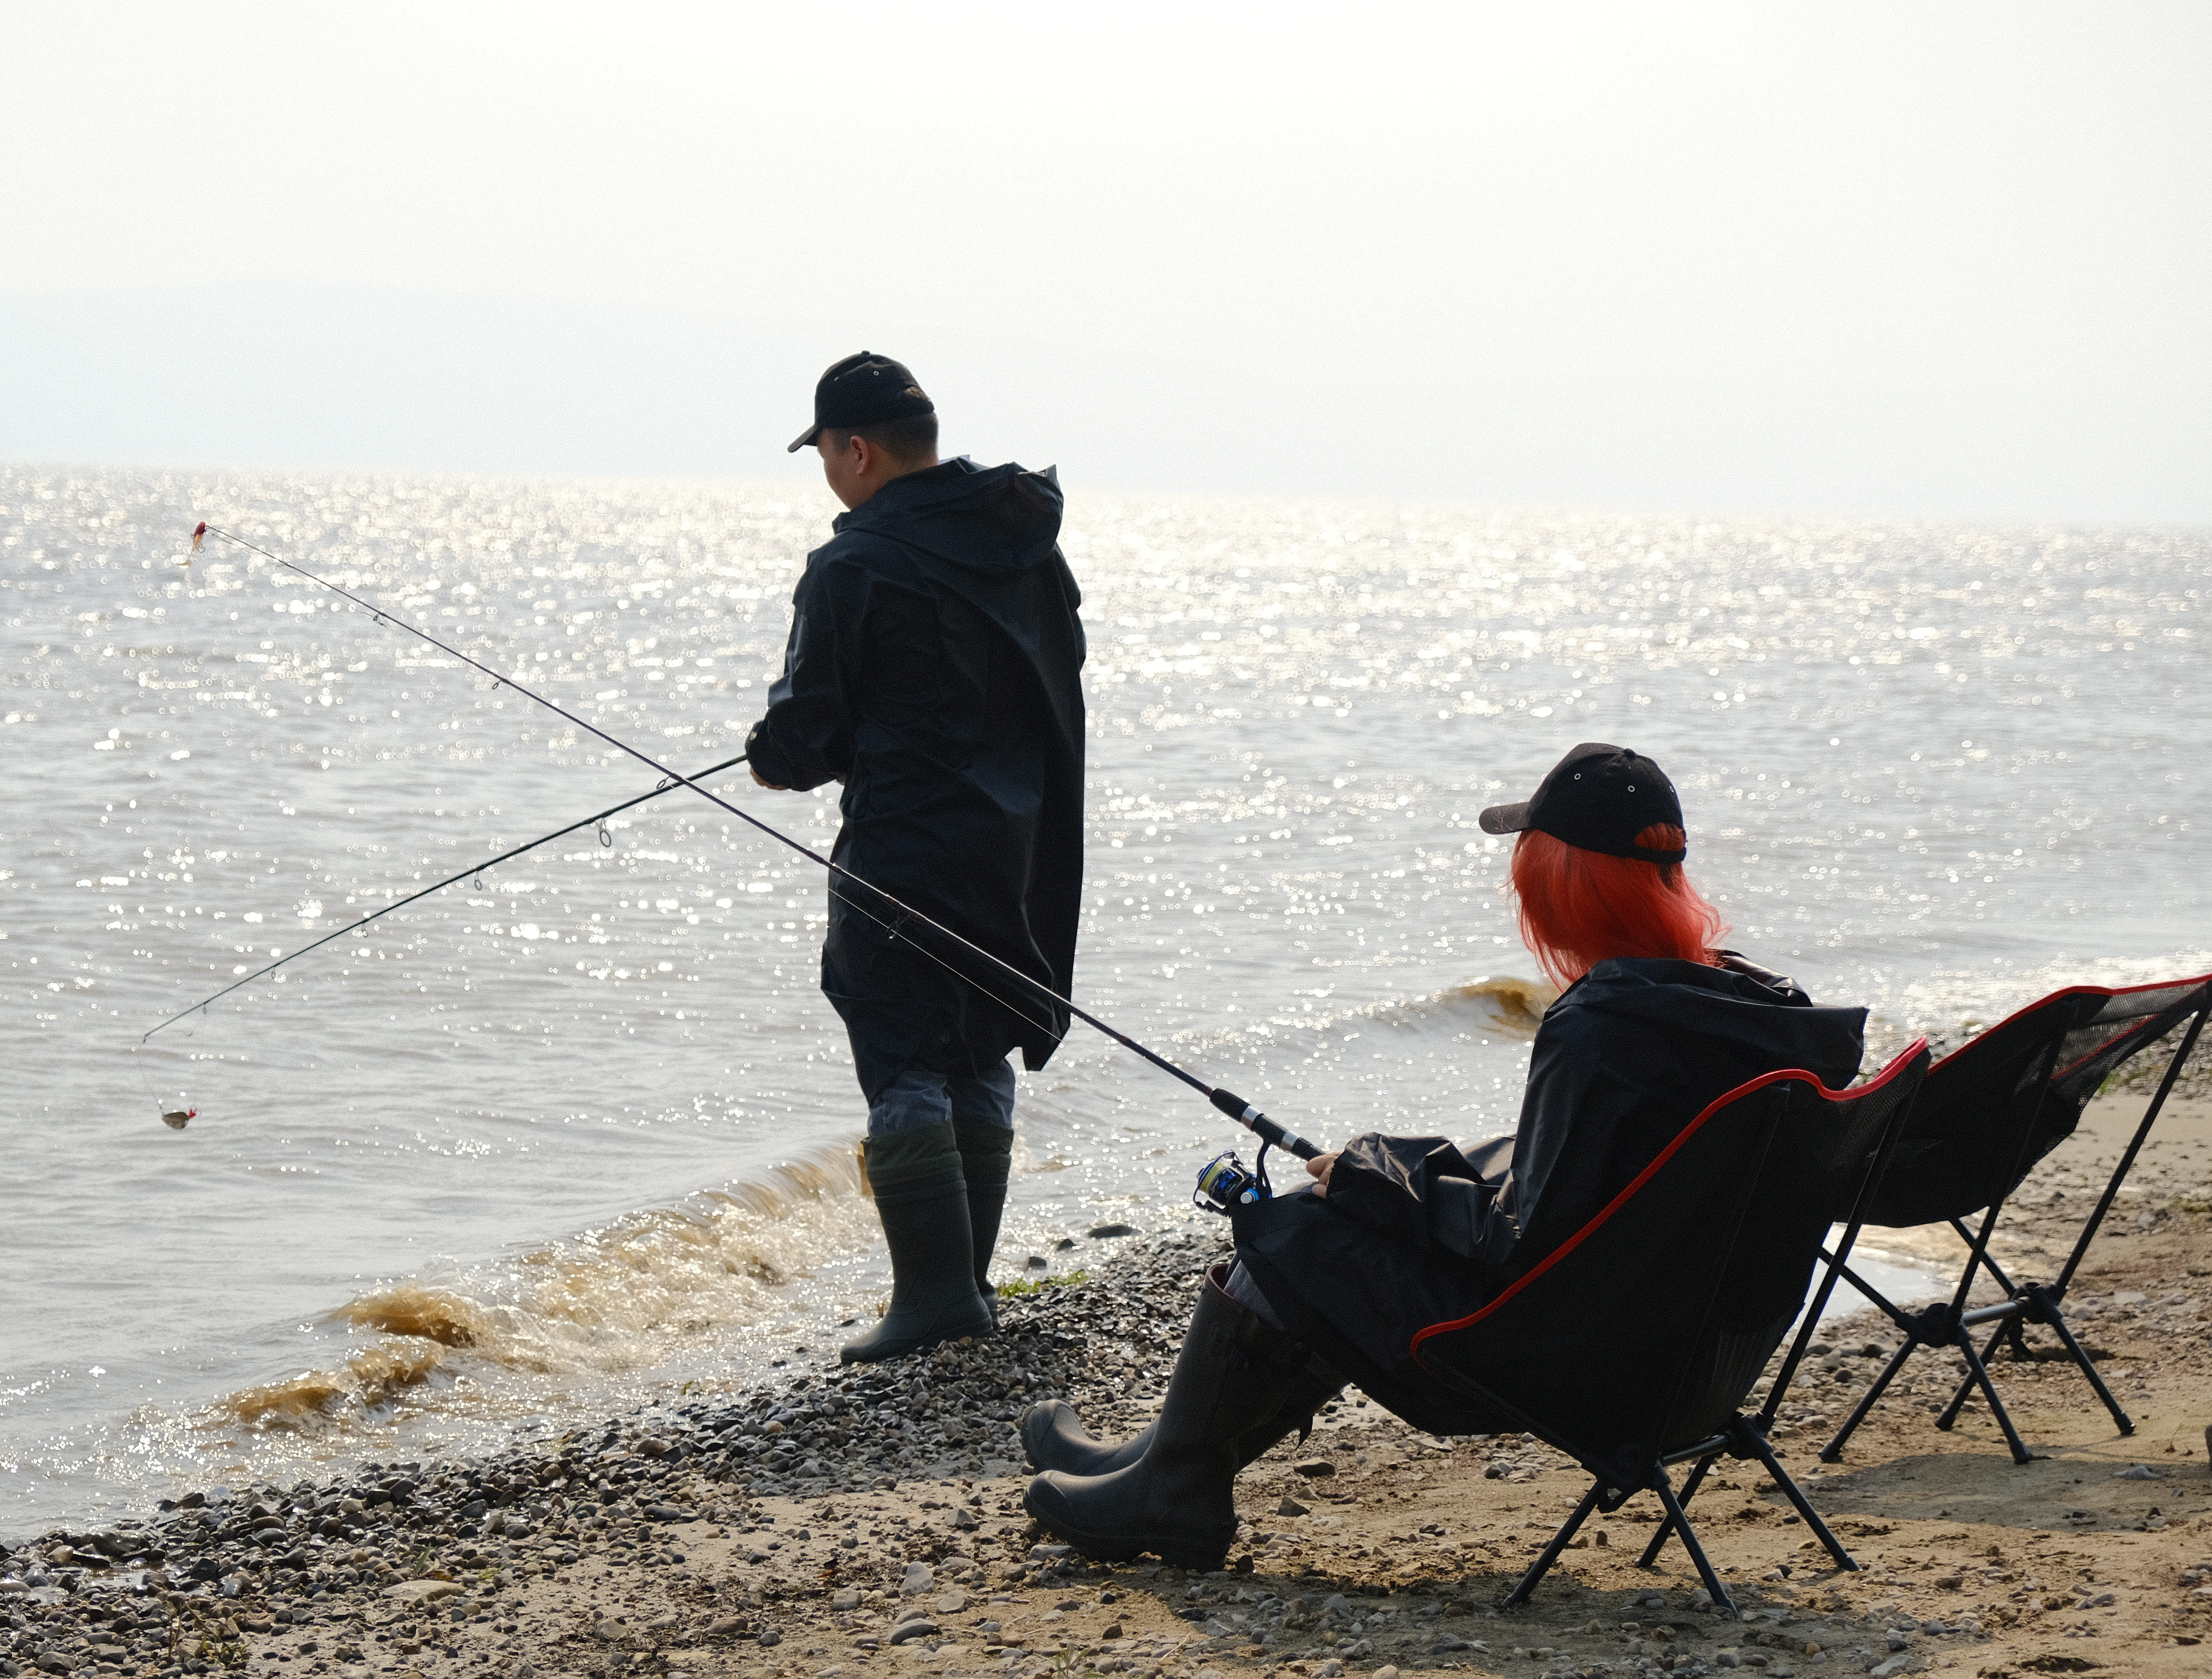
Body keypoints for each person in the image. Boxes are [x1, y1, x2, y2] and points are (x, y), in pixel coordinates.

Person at [1020, 742, 1869, 1567]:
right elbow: (1600, 1196)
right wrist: (1392, 1169)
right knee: (1357, 1197)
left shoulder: (1605, 1029)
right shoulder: (1754, 1013)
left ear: (1561, 885)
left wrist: (1366, 1180)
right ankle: (1171, 1454)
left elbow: (1521, 1243)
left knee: (1301, 1226)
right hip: (1697, 1365)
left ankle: (1175, 1483)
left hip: (1579, 1367)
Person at [747, 352, 1088, 1364]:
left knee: (902, 1053)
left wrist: (772, 756)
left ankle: (935, 1299)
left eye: (824, 453)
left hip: (904, 848)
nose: (827, 473)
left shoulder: (852, 567)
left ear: (854, 450)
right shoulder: (1025, 541)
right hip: (1023, 841)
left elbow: (805, 735)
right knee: (980, 1038)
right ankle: (965, 1286)